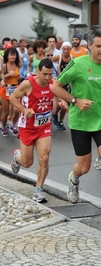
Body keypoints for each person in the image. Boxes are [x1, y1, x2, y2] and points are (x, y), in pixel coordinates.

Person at [50, 28, 101, 225]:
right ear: (89, 46)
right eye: (98, 46)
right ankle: (74, 177)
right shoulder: (77, 64)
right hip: (81, 122)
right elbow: (55, 87)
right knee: (84, 166)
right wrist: (75, 100)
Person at [9, 59, 57, 203]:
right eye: (44, 74)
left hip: (44, 126)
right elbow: (13, 97)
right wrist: (24, 110)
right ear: (37, 71)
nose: (47, 78)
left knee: (44, 157)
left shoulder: (52, 83)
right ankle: (17, 157)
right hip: (27, 127)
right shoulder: (28, 83)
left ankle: (38, 191)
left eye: (50, 74)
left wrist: (62, 103)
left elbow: (57, 95)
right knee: (27, 162)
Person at [51, 41, 73, 131]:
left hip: (68, 83)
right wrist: (53, 75)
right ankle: (55, 114)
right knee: (61, 103)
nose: (66, 51)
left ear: (70, 50)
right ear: (62, 49)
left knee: (66, 103)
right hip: (59, 82)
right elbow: (48, 64)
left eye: (68, 49)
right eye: (64, 49)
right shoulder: (58, 57)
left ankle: (60, 120)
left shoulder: (73, 59)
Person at [1, 47, 21, 137]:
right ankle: (3, 126)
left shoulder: (17, 64)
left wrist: (18, 77)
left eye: (14, 55)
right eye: (11, 55)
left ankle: (12, 125)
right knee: (6, 111)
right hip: (5, 89)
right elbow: (2, 76)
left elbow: (17, 75)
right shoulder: (5, 65)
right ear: (7, 56)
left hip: (15, 89)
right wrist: (8, 74)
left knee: (17, 110)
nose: (13, 56)